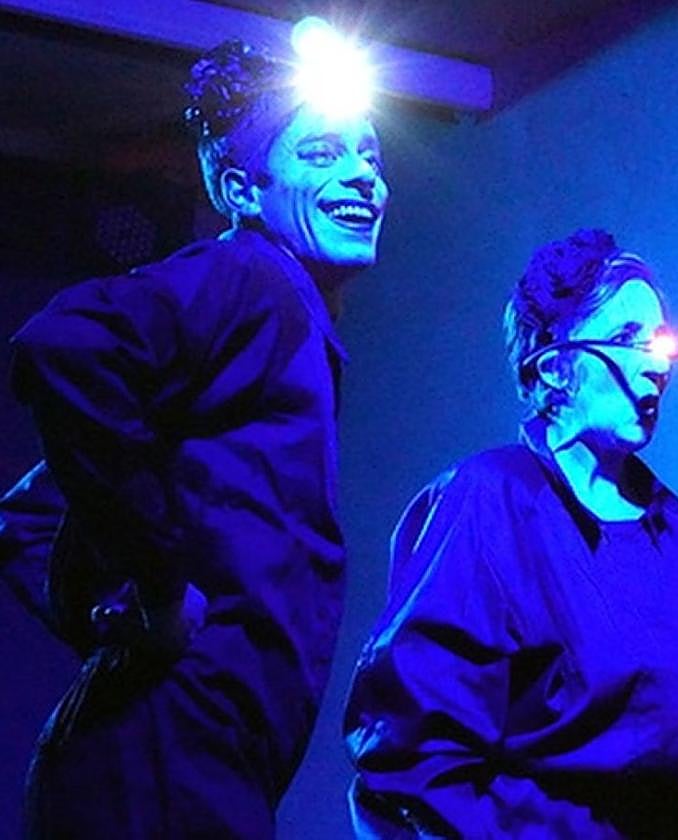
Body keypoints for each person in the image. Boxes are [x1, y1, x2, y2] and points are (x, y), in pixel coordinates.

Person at [4, 34, 388, 838]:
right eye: (321, 153)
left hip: (177, 768)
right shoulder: (252, 279)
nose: (364, 175)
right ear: (241, 188)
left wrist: (118, 610)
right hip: (161, 771)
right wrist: (157, 591)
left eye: (370, 154)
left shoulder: (281, 319)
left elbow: (27, 520)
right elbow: (66, 346)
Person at [345, 229, 678, 838]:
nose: (657, 365)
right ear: (555, 369)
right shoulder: (490, 500)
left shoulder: (671, 528)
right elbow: (410, 745)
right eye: (627, 338)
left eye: (658, 341)